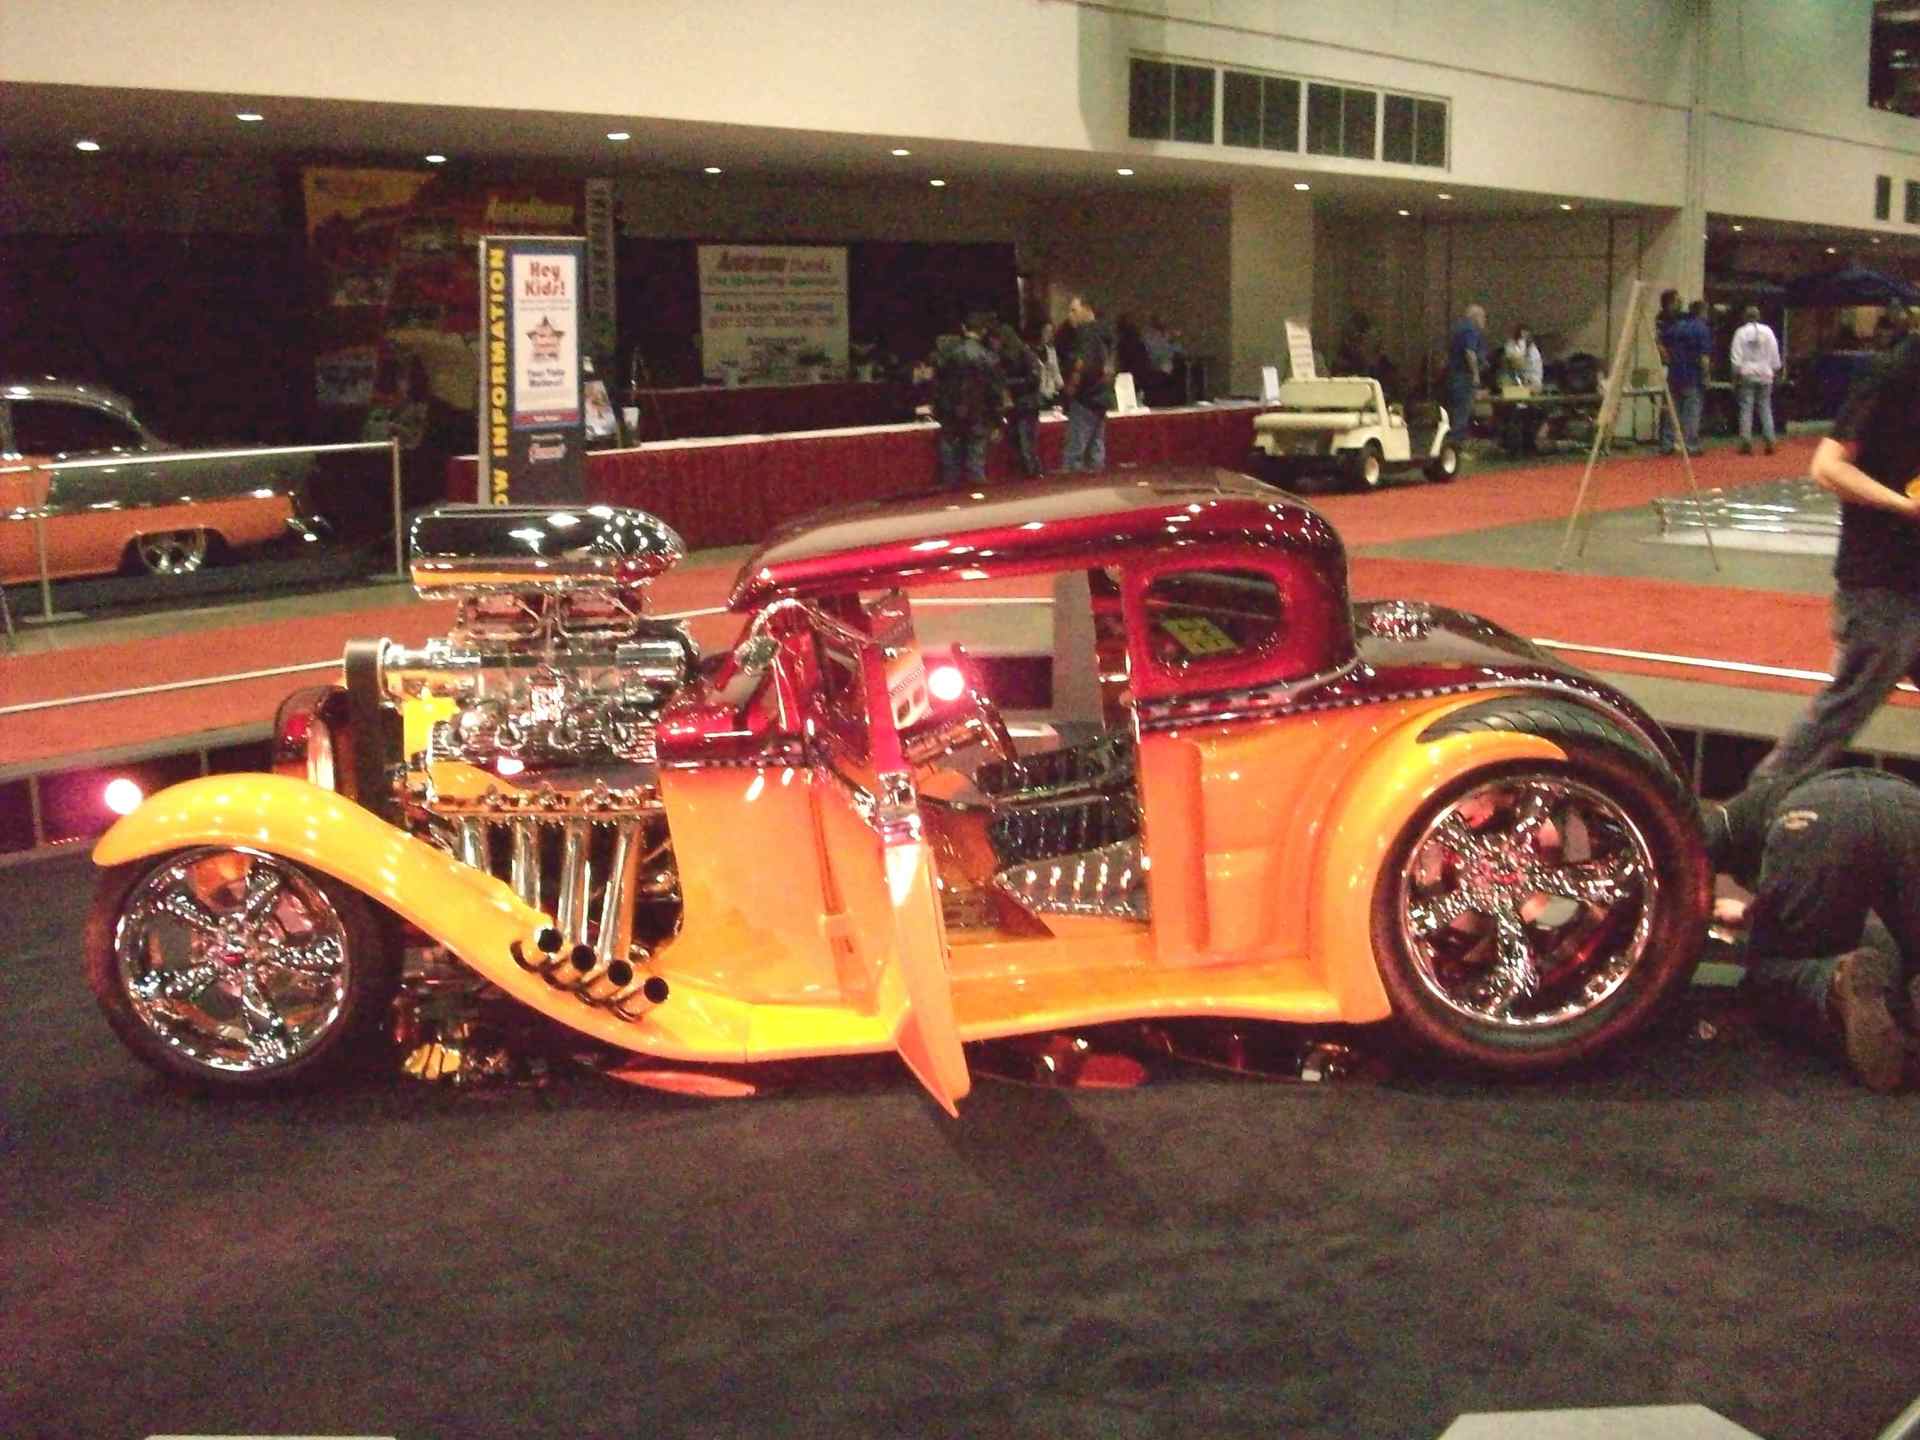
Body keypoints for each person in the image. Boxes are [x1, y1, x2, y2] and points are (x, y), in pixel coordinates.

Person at [1752, 335, 1920, 789]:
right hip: (1883, 583)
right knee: (1837, 717)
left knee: (1838, 714)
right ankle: (1748, 818)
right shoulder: (1893, 377)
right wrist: (1904, 507)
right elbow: (1827, 467)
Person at [1703, 768, 1919, 1091]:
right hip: (1909, 806)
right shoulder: (1771, 800)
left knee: (1766, 974)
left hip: (1817, 815)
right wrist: (1752, 913)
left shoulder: (1733, 816)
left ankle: (1836, 979)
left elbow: (1679, 852)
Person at [928, 312, 1002, 489]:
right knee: (975, 471)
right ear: (983, 331)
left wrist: (938, 409)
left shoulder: (946, 355)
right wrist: (997, 421)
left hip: (951, 417)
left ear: (963, 328)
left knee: (949, 473)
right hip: (978, 417)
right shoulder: (990, 358)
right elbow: (994, 393)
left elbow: (937, 386)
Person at [1060, 295, 1115, 472]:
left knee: (1074, 454)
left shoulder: (1085, 333)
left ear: (1087, 309)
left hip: (1085, 398)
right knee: (1096, 450)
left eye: (1074, 310)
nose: (1070, 316)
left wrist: (1070, 390)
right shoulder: (1106, 332)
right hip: (1103, 396)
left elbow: (1082, 364)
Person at [1728, 304, 1782, 456]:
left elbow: (1736, 357)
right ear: (1759, 316)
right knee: (1765, 407)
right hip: (1765, 373)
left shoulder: (1740, 333)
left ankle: (1746, 440)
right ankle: (1770, 439)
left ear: (1745, 317)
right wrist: (1776, 371)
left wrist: (1735, 375)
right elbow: (1775, 354)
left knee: (1746, 408)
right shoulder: (1768, 331)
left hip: (1747, 373)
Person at [993, 323, 1045, 478]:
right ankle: (1026, 475)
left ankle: (1033, 475)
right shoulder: (1007, 357)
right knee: (1019, 445)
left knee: (1026, 446)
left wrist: (1008, 383)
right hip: (1017, 406)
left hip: (1026, 406)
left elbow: (1034, 379)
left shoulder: (1025, 353)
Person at [1661, 299, 1711, 456]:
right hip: (1692, 376)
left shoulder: (1677, 326)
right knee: (1692, 412)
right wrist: (1706, 376)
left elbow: (1660, 341)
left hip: (1674, 374)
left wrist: (1667, 359)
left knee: (1672, 411)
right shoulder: (1702, 329)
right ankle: (1691, 445)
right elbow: (1704, 357)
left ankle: (1667, 443)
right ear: (1702, 311)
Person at [1444, 304, 1487, 446]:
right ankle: (1457, 445)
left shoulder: (1459, 328)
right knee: (1462, 411)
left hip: (1454, 375)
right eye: (1483, 317)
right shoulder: (1470, 330)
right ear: (1476, 317)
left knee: (1456, 411)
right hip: (1463, 377)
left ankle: (1453, 444)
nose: (1484, 321)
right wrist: (1476, 374)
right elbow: (1469, 352)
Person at [1653, 288, 1682, 453]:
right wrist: (1666, 356)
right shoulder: (1663, 319)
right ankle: (1665, 440)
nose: (1680, 303)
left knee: (1675, 406)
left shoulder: (1679, 318)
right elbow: (1659, 341)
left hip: (1677, 364)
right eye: (1677, 301)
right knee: (1668, 404)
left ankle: (1672, 439)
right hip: (1667, 365)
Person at [1500, 323, 1543, 390]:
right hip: (1512, 380)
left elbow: (1535, 376)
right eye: (1520, 337)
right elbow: (1510, 361)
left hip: (1531, 381)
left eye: (1526, 337)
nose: (1522, 339)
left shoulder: (1534, 352)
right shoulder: (1511, 345)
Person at [1033, 321, 1064, 406]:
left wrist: (1061, 387)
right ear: (1040, 332)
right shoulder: (1031, 351)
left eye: (1051, 332)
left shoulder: (1051, 351)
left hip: (1050, 393)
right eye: (1046, 331)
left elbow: (1056, 372)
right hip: (1036, 394)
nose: (1049, 334)